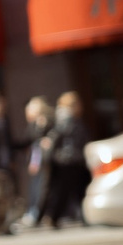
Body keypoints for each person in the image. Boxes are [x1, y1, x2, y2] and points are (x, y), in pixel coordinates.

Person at [40, 90, 92, 227]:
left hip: (72, 159)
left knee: (75, 190)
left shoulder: (69, 118)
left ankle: (81, 216)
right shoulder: (66, 118)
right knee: (65, 191)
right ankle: (53, 217)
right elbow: (56, 139)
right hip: (67, 160)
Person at [17, 96, 54, 232]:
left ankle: (38, 214)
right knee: (34, 188)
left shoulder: (47, 122)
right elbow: (28, 142)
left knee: (42, 189)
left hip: (44, 161)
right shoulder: (33, 125)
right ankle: (33, 213)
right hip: (35, 161)